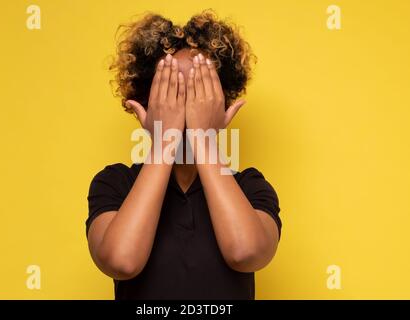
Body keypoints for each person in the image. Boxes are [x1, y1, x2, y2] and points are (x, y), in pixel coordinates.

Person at [85, 9, 282, 300]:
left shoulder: (250, 187)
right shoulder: (115, 182)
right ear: (145, 102)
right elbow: (122, 261)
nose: (188, 106)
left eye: (200, 91)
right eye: (172, 90)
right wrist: (165, 140)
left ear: (223, 104)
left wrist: (205, 140)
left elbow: (246, 253)